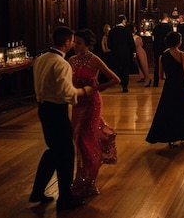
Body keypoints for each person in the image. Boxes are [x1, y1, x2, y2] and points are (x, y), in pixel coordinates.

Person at [29, 26, 92, 211]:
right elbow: (66, 93)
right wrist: (84, 91)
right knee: (65, 155)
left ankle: (37, 192)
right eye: (72, 41)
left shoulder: (40, 59)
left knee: (53, 151)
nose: (73, 44)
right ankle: (65, 198)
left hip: (43, 108)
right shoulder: (61, 64)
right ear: (66, 42)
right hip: (56, 110)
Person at [69, 29, 120, 197]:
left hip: (92, 103)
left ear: (88, 44)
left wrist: (96, 88)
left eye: (79, 43)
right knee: (77, 139)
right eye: (74, 42)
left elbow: (116, 79)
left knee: (85, 140)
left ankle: (90, 180)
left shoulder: (94, 59)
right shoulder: (71, 60)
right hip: (78, 103)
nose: (75, 45)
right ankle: (81, 177)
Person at [146, 32, 184, 147]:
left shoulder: (162, 56)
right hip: (181, 85)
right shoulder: (183, 55)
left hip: (169, 86)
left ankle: (170, 138)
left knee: (168, 111)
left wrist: (170, 77)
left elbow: (161, 76)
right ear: (179, 42)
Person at [107, 15, 135, 92]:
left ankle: (118, 81)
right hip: (126, 53)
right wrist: (133, 51)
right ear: (123, 21)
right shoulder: (127, 30)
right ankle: (125, 86)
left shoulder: (112, 31)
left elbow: (109, 43)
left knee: (116, 68)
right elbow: (131, 42)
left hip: (115, 53)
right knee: (125, 69)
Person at [151, 13, 173, 87]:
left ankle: (155, 82)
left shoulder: (156, 27)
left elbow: (153, 38)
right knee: (169, 65)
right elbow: (171, 38)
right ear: (166, 18)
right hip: (166, 48)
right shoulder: (169, 27)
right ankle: (169, 81)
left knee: (157, 65)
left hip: (157, 48)